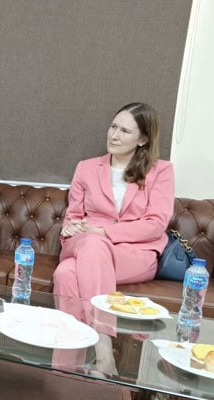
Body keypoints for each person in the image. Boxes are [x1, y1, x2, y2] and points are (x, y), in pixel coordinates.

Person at [53, 102, 174, 320]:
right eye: (113, 127)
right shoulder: (86, 167)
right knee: (91, 243)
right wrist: (70, 227)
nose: (114, 135)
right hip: (84, 243)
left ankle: (70, 349)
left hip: (133, 254)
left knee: (65, 273)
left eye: (125, 131)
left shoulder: (161, 171)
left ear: (143, 139)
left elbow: (156, 224)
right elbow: (73, 216)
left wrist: (104, 233)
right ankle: (103, 343)